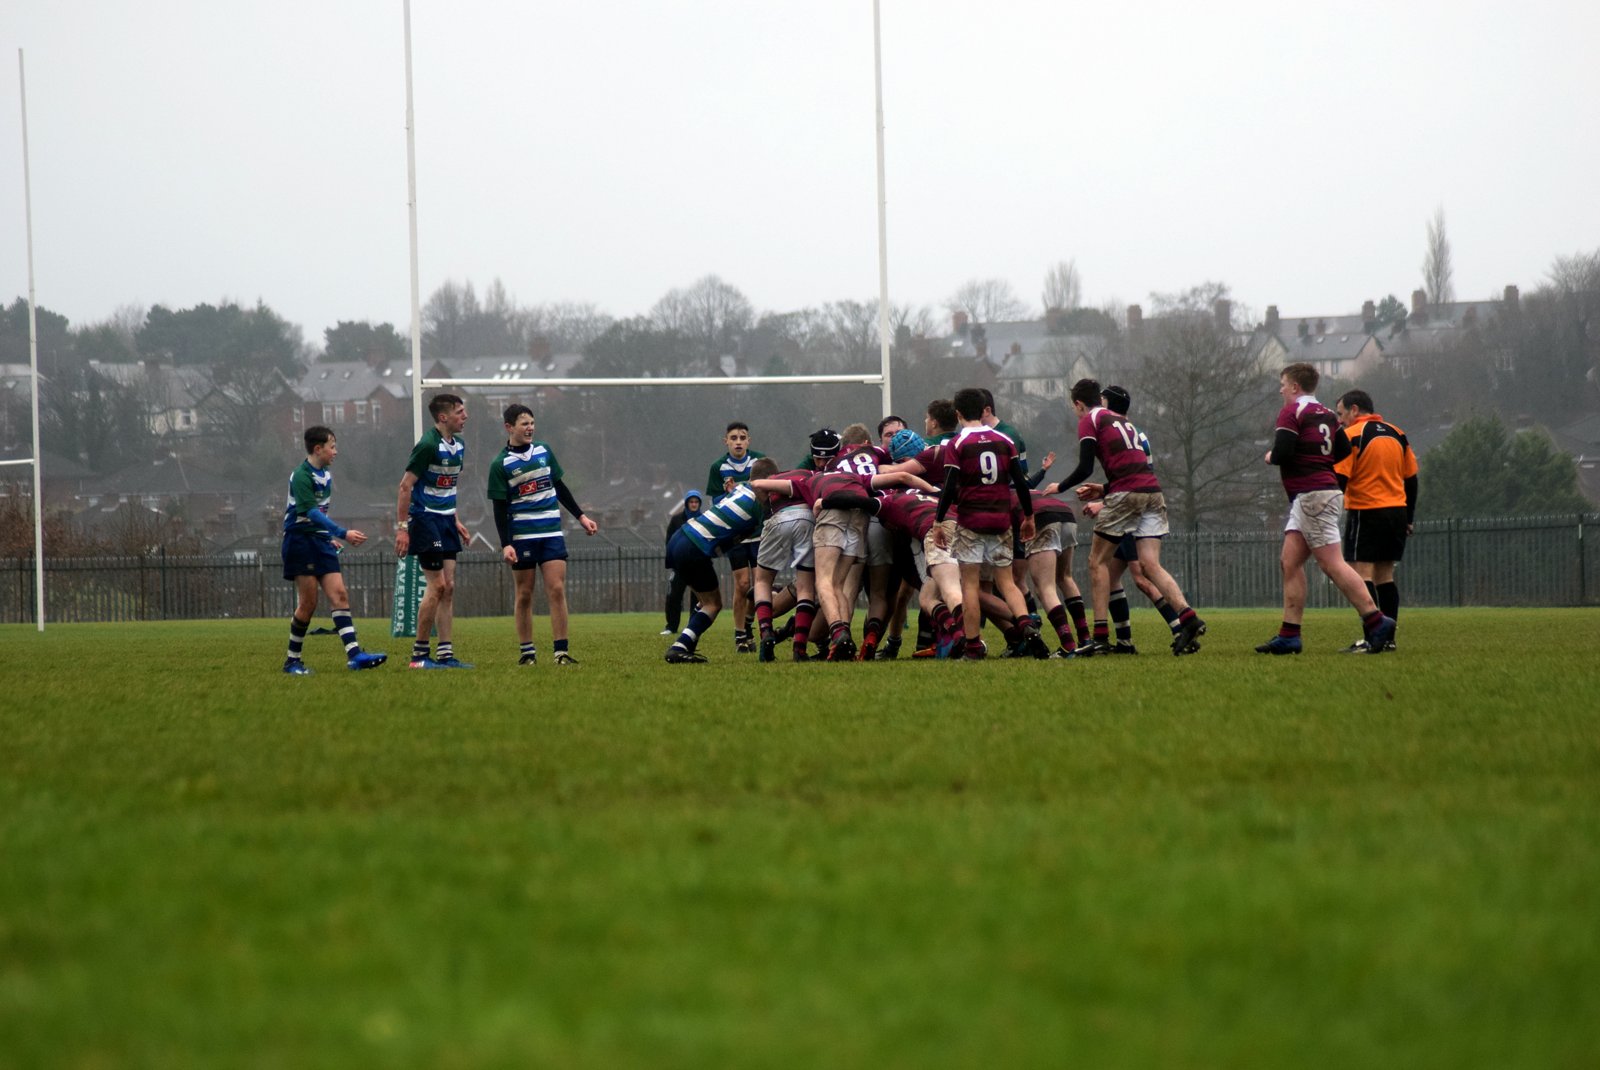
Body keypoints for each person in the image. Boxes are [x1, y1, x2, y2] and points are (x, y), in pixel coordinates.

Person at [1056, 378, 1205, 656]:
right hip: (1152, 493)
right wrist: (1104, 490)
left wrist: (1059, 486)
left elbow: (1085, 466)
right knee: (1149, 566)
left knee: (1097, 562)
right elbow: (1136, 468)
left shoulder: (1091, 419)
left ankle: (1100, 637)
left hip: (1126, 495)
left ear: (1079, 404)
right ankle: (1188, 618)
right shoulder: (1127, 424)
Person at [1256, 363, 1396, 655]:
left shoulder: (1292, 412)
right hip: (1317, 494)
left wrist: (1270, 457)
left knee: (1332, 564)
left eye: (1283, 384)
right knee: (1290, 561)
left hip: (1312, 496)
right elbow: (1342, 450)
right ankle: (1289, 634)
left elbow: (1282, 452)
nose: (1281, 390)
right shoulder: (1328, 415)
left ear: (1295, 387)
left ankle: (1376, 620)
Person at [930, 387, 1043, 659]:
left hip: (971, 521)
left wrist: (938, 521)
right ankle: (1027, 625)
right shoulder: (1004, 440)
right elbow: (1021, 483)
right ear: (983, 410)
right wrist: (1028, 516)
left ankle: (972, 647)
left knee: (969, 585)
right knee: (1007, 582)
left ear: (958, 413)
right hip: (1001, 520)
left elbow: (949, 485)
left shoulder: (957, 444)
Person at [487, 404, 599, 666]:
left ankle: (561, 652)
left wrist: (581, 517)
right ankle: (527, 653)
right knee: (524, 593)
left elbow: (559, 487)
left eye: (532, 423)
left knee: (557, 589)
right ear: (509, 427)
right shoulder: (500, 464)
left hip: (551, 533)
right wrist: (506, 544)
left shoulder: (544, 451)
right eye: (524, 424)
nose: (530, 428)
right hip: (523, 537)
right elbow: (499, 509)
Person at [279, 426, 386, 675]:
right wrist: (342, 533)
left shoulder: (326, 475)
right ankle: (292, 661)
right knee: (308, 604)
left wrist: (327, 538)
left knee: (340, 595)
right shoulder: (301, 476)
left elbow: (319, 513)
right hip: (300, 542)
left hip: (320, 542)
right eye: (332, 447)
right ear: (318, 449)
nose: (336, 451)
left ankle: (355, 656)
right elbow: (310, 512)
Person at [665, 458, 780, 662]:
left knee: (704, 602)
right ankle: (679, 647)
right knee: (713, 604)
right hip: (694, 546)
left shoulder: (741, 488)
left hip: (680, 539)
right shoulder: (757, 504)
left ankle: (686, 645)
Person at [1333, 389, 1418, 652]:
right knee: (1385, 575)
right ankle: (1389, 639)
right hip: (1397, 512)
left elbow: (1340, 478)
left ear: (1354, 409)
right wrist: (1409, 518)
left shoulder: (1351, 435)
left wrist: (1331, 509)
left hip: (1366, 510)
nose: (1339, 420)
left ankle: (1372, 638)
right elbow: (1411, 479)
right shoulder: (1397, 433)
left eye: (1341, 414)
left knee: (1362, 574)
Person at [395, 393, 473, 669]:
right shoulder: (428, 445)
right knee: (437, 585)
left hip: (446, 521)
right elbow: (405, 486)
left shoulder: (459, 445)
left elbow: (447, 488)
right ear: (443, 417)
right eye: (460, 412)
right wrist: (402, 528)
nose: (465, 416)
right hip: (425, 519)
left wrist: (456, 520)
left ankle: (445, 655)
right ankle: (418, 656)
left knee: (448, 588)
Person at [706, 421, 767, 653]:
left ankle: (749, 624)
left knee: (759, 585)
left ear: (749, 441)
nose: (738, 442)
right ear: (726, 442)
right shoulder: (718, 467)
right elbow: (715, 502)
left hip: (758, 532)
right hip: (736, 535)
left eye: (742, 437)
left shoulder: (760, 462)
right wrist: (729, 494)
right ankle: (740, 634)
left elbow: (770, 492)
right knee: (742, 584)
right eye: (733, 438)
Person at [662, 490, 704, 635]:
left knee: (697, 598)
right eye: (691, 502)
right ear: (686, 503)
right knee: (673, 595)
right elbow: (669, 540)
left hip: (698, 565)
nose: (694, 504)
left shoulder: (704, 519)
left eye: (696, 502)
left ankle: (692, 627)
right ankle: (671, 626)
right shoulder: (676, 520)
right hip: (680, 564)